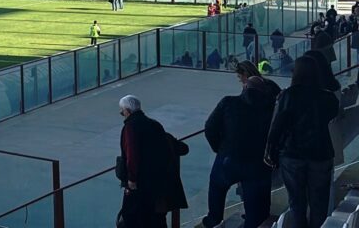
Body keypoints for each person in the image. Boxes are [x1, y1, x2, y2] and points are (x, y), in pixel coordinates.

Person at [265, 55, 339, 228]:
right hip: (321, 153)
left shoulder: (289, 95)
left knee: (296, 202)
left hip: (292, 155)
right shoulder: (327, 97)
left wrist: (269, 150)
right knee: (319, 203)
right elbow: (333, 114)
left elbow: (277, 125)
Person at [202, 76, 277, 228]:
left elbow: (210, 127)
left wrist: (220, 148)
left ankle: (214, 220)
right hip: (257, 163)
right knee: (256, 206)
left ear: (244, 88)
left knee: (217, 186)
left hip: (228, 158)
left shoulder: (228, 102)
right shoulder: (270, 109)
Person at [117, 95, 186, 227]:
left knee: (133, 216)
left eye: (122, 111)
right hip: (159, 183)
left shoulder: (130, 127)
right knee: (157, 218)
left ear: (128, 111)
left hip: (141, 184)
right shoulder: (154, 124)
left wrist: (131, 179)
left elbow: (132, 155)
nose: (122, 114)